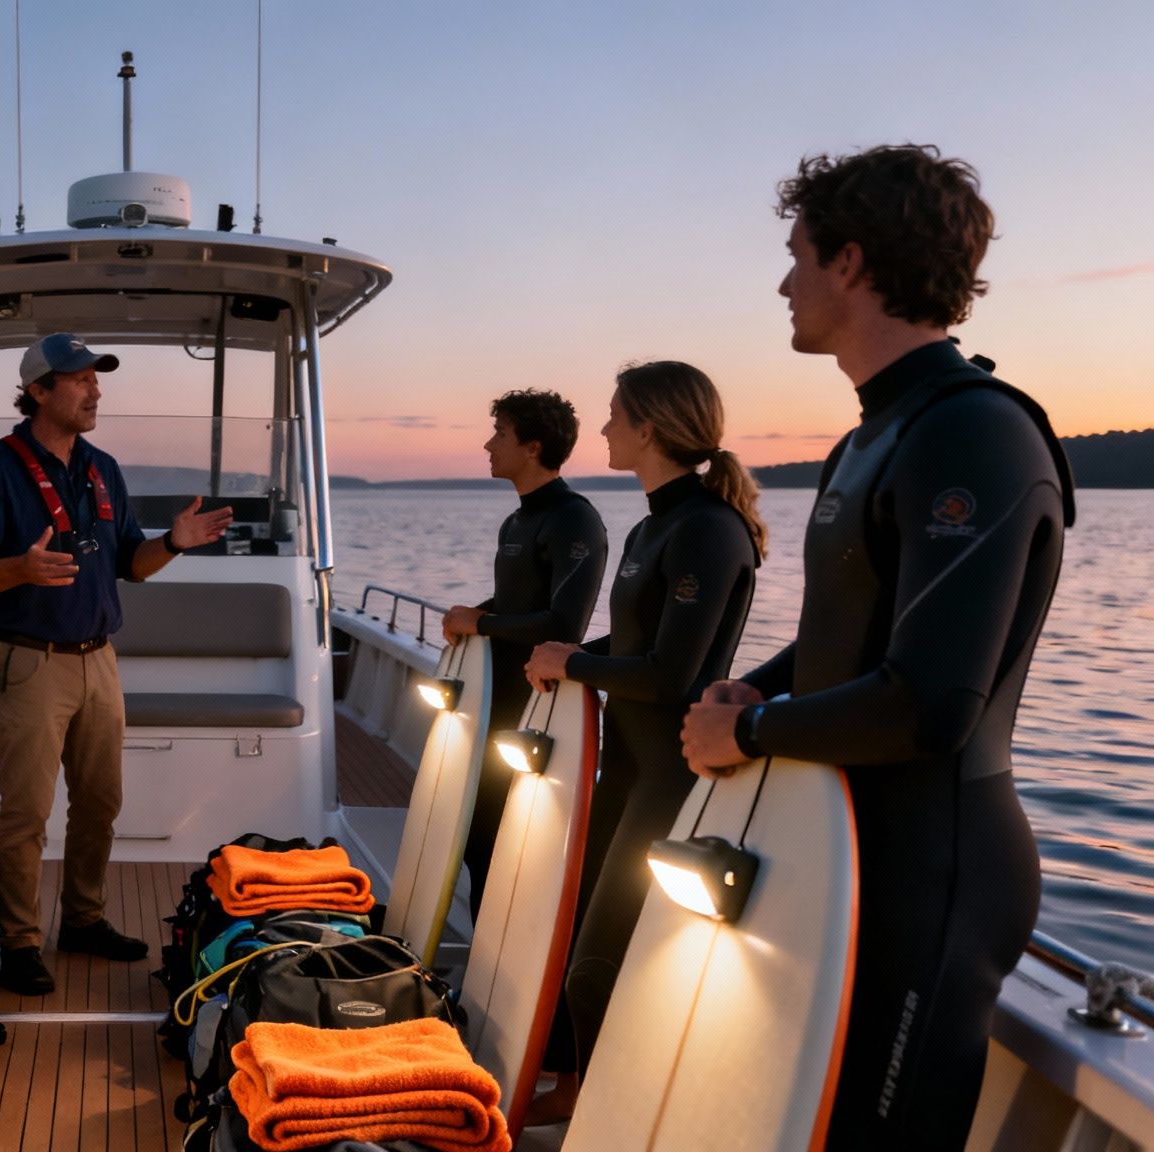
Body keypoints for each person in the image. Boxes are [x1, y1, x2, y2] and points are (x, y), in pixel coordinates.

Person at [680, 145, 1073, 1150]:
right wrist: (744, 691)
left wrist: (754, 729)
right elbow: (837, 644)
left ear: (849, 263)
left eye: (796, 254)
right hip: (838, 849)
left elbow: (929, 702)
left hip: (929, 874)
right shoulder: (872, 437)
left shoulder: (972, 433)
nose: (783, 281)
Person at [0, 332, 234, 997]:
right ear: (39, 392)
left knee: (101, 803)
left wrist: (174, 543)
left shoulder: (103, 467)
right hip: (32, 663)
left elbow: (131, 562)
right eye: (79, 379)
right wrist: (18, 568)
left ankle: (83, 919)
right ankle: (18, 940)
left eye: (96, 379)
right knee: (26, 814)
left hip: (100, 661)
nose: (95, 388)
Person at [520, 361, 766, 1125]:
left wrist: (575, 661)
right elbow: (632, 638)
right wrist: (574, 658)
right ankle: (577, 1087)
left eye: (614, 416)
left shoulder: (706, 529)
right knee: (584, 932)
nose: (602, 430)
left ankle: (602, 1106)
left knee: (605, 949)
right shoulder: (652, 524)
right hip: (624, 764)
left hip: (669, 773)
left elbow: (671, 674)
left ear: (650, 428)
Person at [442, 389, 607, 919]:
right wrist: (476, 612)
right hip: (495, 703)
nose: (489, 444)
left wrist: (484, 621)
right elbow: (520, 602)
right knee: (475, 839)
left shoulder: (573, 519)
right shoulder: (517, 521)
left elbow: (563, 624)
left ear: (533, 447)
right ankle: (485, 964)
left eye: (502, 435)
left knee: (505, 844)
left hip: (535, 709)